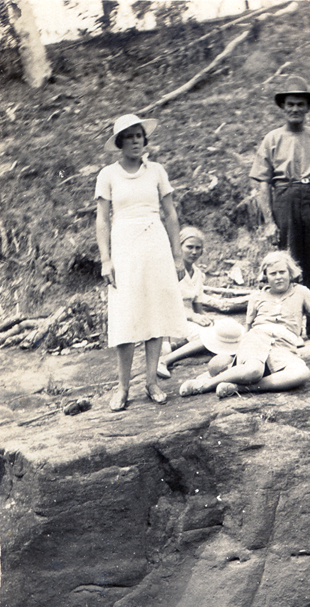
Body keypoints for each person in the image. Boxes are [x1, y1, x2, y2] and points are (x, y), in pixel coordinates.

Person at [178, 251, 310, 399]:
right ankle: (207, 384)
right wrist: (239, 354)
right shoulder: (258, 296)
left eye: (282, 272)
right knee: (253, 370)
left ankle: (240, 388)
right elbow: (249, 329)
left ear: (290, 273)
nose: (278, 277)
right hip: (257, 338)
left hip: (284, 345)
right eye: (273, 274)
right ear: (265, 276)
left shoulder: (301, 292)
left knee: (301, 373)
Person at [95, 113, 187, 410]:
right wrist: (106, 259)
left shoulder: (156, 170)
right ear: (119, 142)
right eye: (129, 137)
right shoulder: (107, 174)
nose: (135, 141)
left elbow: (170, 214)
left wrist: (177, 255)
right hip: (124, 246)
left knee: (155, 310)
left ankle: (151, 381)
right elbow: (101, 221)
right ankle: (122, 388)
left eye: (139, 136)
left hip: (155, 243)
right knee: (126, 314)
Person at [249, 75, 310, 316]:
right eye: (290, 104)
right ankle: (288, 318)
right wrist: (269, 220)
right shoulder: (272, 138)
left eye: (300, 104)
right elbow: (263, 182)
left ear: (308, 107)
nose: (295, 109)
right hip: (285, 197)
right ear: (283, 107)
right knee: (286, 262)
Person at [156, 226, 243, 379]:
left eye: (198, 248)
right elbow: (165, 303)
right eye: (189, 247)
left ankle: (178, 345)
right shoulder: (168, 270)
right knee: (207, 337)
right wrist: (194, 317)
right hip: (168, 318)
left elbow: (198, 304)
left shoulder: (197, 274)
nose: (194, 252)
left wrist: (206, 320)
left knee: (225, 328)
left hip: (187, 319)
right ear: (179, 247)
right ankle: (165, 360)